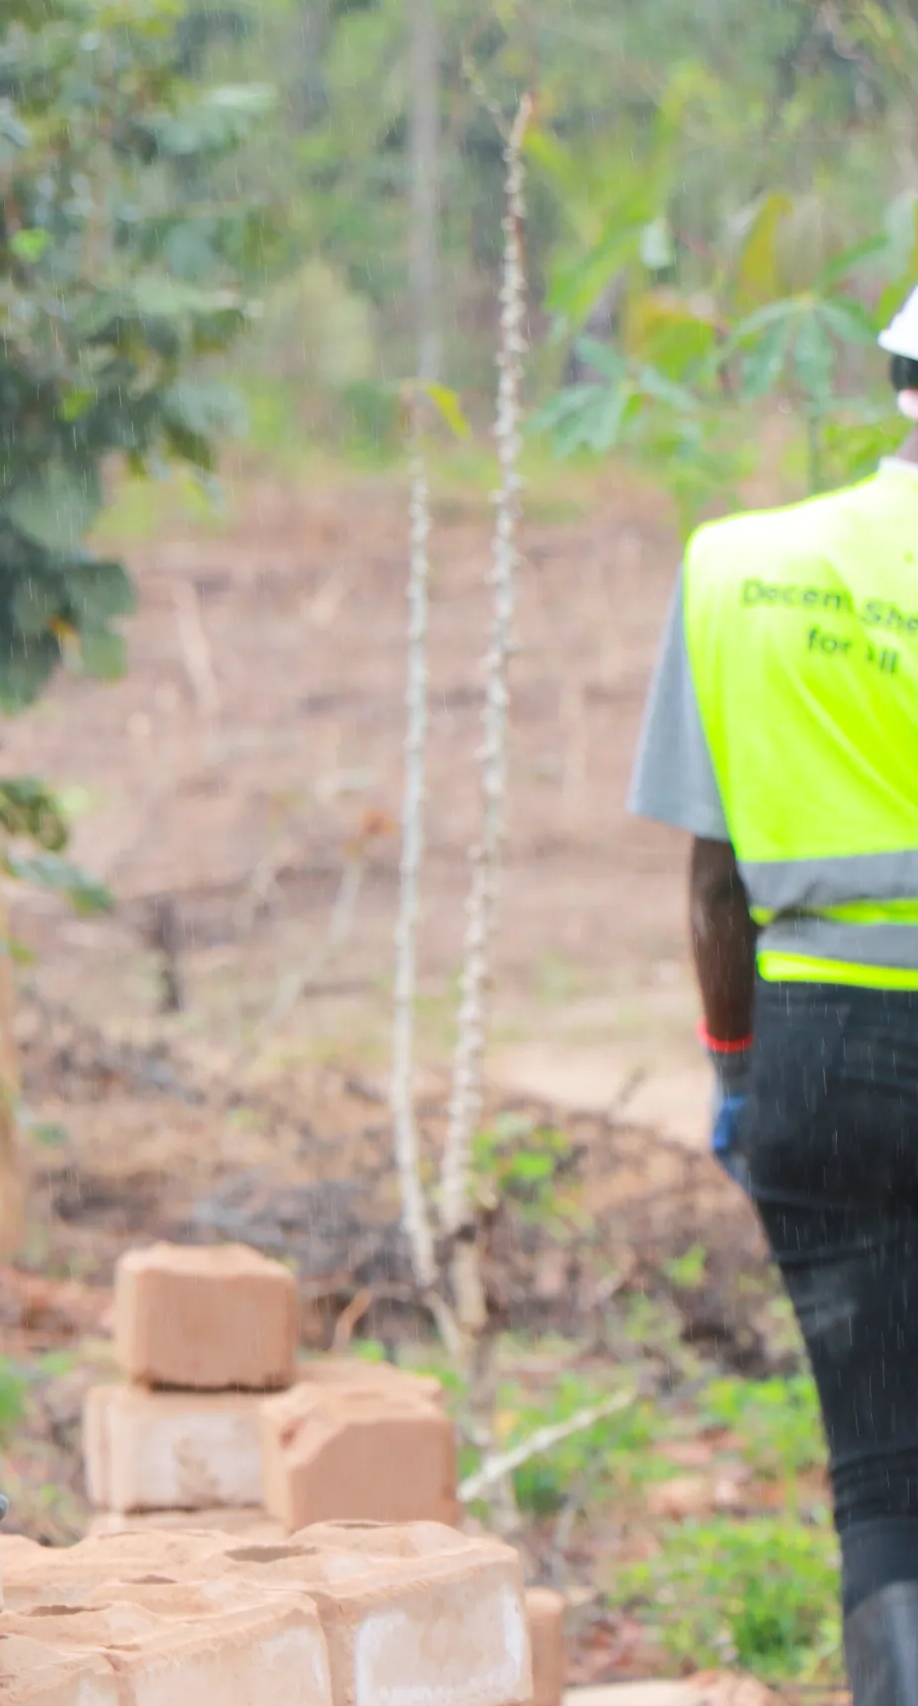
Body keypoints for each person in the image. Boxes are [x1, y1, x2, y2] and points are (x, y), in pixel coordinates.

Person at [629, 286, 918, 1706]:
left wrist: (739, 1073)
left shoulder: (743, 568)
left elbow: (712, 881)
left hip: (820, 1053)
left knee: (879, 1475)